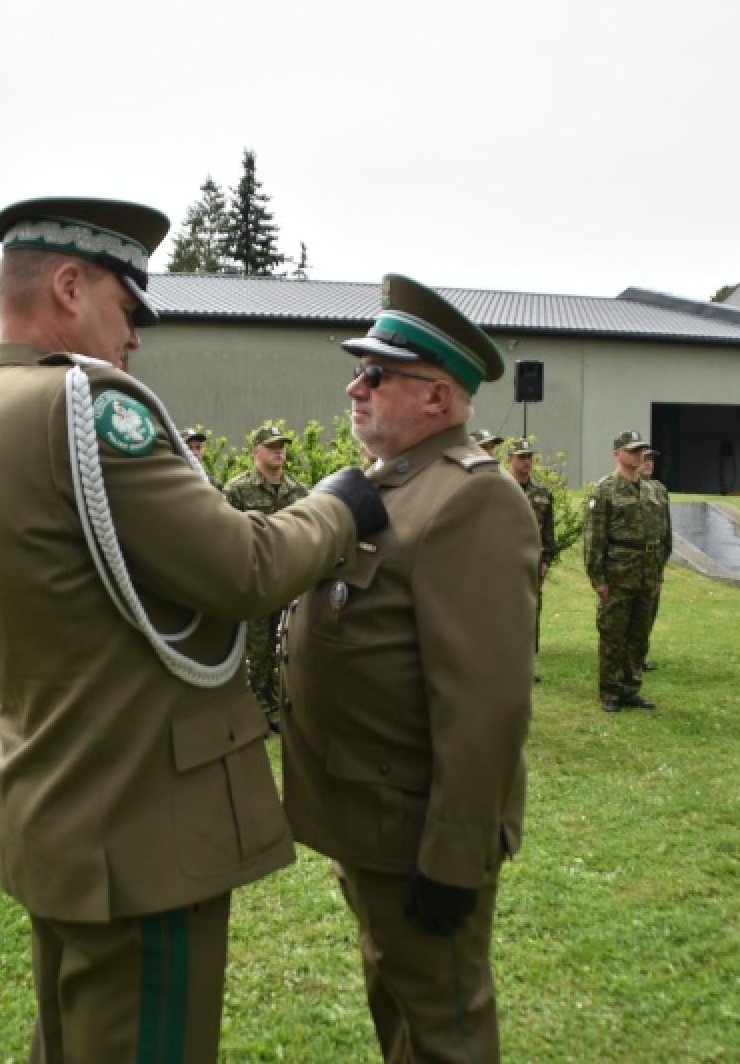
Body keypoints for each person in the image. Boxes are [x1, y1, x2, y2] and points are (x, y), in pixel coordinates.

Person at [0, 197, 382, 1064]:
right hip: (143, 818)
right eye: (125, 307)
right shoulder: (89, 407)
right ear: (69, 286)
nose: (134, 336)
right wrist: (338, 507)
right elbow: (242, 568)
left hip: (65, 801)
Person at [281, 272, 537, 1064]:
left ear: (438, 398)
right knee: (397, 1002)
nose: (355, 386)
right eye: (361, 368)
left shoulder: (469, 500)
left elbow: (485, 702)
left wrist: (456, 855)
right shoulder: (388, 485)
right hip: (370, 817)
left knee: (443, 1026)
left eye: (378, 373)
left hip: (416, 830)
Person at [223, 421, 309, 729]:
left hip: (289, 581)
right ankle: (256, 707)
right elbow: (228, 538)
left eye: (282, 446)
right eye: (271, 447)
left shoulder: (298, 490)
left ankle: (280, 704)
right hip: (257, 582)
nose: (279, 452)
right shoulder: (236, 490)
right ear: (255, 451)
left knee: (289, 644)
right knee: (256, 651)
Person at [584, 429, 668, 710]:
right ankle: (610, 690)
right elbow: (595, 538)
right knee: (613, 634)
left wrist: (658, 573)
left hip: (647, 571)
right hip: (618, 572)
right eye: (631, 450)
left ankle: (630, 687)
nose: (637, 455)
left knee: (639, 634)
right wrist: (598, 578)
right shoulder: (605, 490)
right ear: (617, 454)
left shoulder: (654, 490)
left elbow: (665, 535)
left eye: (640, 450)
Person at [508, 438, 555, 657]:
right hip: (505, 561)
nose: (526, 462)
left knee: (531, 610)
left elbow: (548, 533)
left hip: (532, 562)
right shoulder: (501, 488)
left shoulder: (543, 494)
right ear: (510, 460)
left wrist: (546, 561)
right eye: (521, 458)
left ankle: (527, 661)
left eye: (529, 458)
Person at [637, 447, 673, 673]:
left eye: (651, 460)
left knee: (648, 612)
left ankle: (640, 656)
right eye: (645, 459)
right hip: (629, 561)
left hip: (653, 562)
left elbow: (666, 530)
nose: (649, 463)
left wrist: (661, 561)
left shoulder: (659, 490)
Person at [183, 426, 223, 490]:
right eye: (189, 448)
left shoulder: (211, 480)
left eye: (198, 448)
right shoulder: (177, 479)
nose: (195, 452)